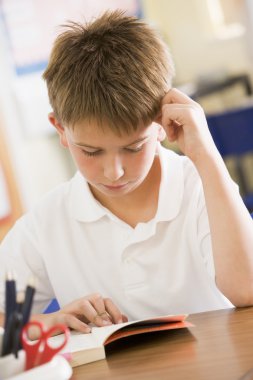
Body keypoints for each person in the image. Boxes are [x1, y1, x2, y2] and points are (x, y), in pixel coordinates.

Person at [0, 10, 253, 335]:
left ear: (164, 123)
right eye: (91, 151)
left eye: (133, 147)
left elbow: (247, 289)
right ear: (60, 130)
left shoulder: (201, 187)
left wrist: (206, 155)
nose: (114, 171)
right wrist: (44, 324)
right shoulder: (50, 221)